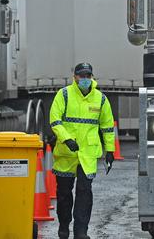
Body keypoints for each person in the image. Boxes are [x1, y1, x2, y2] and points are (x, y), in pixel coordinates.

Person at [50, 62, 116, 239]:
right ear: (75, 77)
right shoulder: (64, 95)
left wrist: (110, 151)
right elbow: (55, 120)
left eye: (88, 76)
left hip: (87, 154)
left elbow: (107, 127)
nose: (85, 79)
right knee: (64, 194)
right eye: (81, 76)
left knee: (84, 193)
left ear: (92, 77)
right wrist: (66, 138)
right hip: (66, 153)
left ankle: (81, 231)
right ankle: (64, 226)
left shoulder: (100, 99)